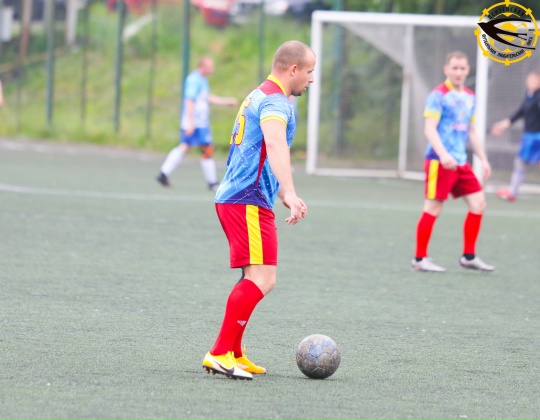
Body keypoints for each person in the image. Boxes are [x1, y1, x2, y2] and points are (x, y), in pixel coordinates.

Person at [201, 40, 315, 380]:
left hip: (243, 196)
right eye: (309, 72)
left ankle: (234, 352)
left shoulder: (258, 94)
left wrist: (279, 193)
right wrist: (290, 191)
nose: (311, 79)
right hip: (246, 199)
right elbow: (275, 144)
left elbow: (257, 152)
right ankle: (220, 353)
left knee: (254, 277)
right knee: (263, 279)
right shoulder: (277, 102)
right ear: (293, 69)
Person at [411, 51, 494, 273]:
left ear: (468, 70)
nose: (458, 72)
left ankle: (468, 257)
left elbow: (472, 131)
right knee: (433, 207)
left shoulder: (470, 97)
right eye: (454, 68)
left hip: (460, 162)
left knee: (478, 203)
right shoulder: (438, 95)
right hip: (439, 161)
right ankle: (419, 259)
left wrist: (483, 159)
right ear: (446, 70)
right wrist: (443, 154)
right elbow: (429, 129)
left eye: (462, 68)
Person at [156, 57, 238, 190]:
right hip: (197, 123)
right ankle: (212, 182)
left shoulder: (202, 80)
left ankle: (163, 173)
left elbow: (207, 98)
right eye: (210, 66)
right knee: (206, 148)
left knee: (186, 146)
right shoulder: (194, 80)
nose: (212, 69)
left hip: (197, 122)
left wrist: (226, 101)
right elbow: (189, 100)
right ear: (202, 66)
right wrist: (190, 122)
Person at [491, 70, 540, 202]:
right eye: (529, 79)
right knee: (520, 163)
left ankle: (512, 192)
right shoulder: (529, 95)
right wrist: (502, 125)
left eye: (535, 80)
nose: (531, 82)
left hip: (537, 137)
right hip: (529, 137)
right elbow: (519, 113)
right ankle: (512, 192)